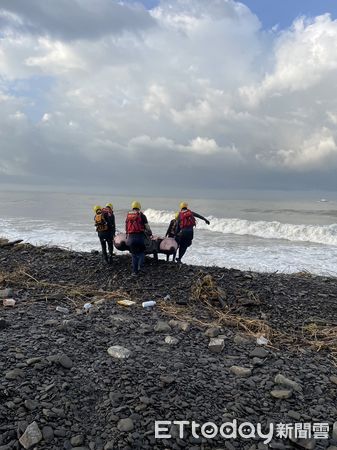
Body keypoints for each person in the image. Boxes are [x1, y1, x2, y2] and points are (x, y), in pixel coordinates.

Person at [125, 201, 152, 276]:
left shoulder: (128, 216)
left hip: (131, 237)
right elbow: (147, 227)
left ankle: (134, 272)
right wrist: (150, 234)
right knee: (141, 252)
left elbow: (126, 227)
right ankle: (141, 266)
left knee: (134, 255)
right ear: (139, 207)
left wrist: (127, 235)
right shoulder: (142, 215)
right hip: (139, 237)